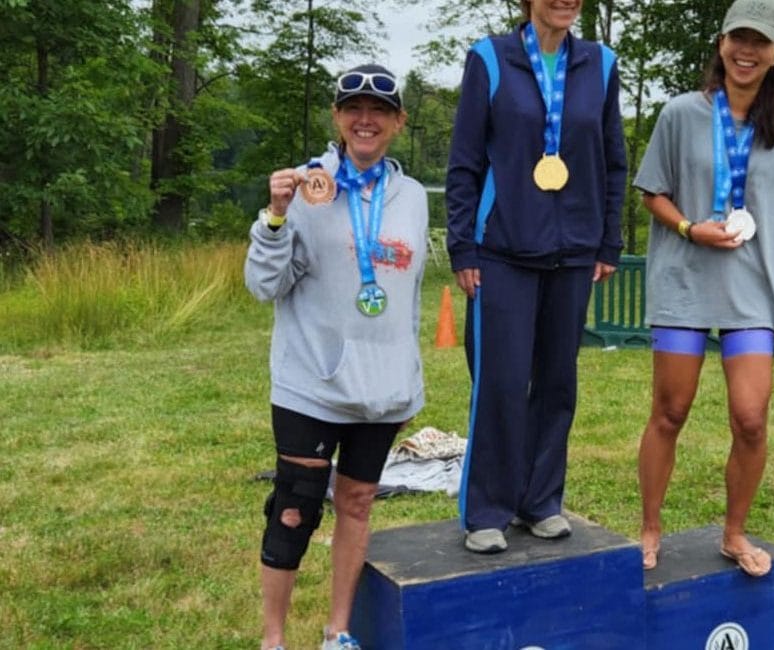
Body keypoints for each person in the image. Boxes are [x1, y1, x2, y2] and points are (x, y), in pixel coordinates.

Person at [633, 0, 774, 576]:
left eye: (760, 42)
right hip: (684, 281)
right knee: (670, 410)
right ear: (721, 43)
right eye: (738, 39)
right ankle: (650, 527)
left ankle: (733, 533)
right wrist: (690, 227)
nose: (747, 51)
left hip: (754, 291)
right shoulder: (680, 113)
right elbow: (653, 192)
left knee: (751, 418)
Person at [245, 64, 428, 650]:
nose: (365, 119)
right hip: (312, 381)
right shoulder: (306, 187)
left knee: (357, 502)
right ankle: (273, 640)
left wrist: (408, 381)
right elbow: (264, 285)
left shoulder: (413, 198)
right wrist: (274, 218)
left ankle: (338, 632)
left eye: (379, 109)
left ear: (398, 121)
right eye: (353, 108)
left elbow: (406, 301)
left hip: (381, 388)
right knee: (294, 509)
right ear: (337, 118)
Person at [445, 0, 627, 553]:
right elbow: (465, 160)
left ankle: (540, 501)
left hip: (574, 249)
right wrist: (462, 248)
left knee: (556, 382)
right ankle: (487, 511)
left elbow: (612, 158)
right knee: (500, 383)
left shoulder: (601, 63)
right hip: (500, 248)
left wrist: (607, 239)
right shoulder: (491, 58)